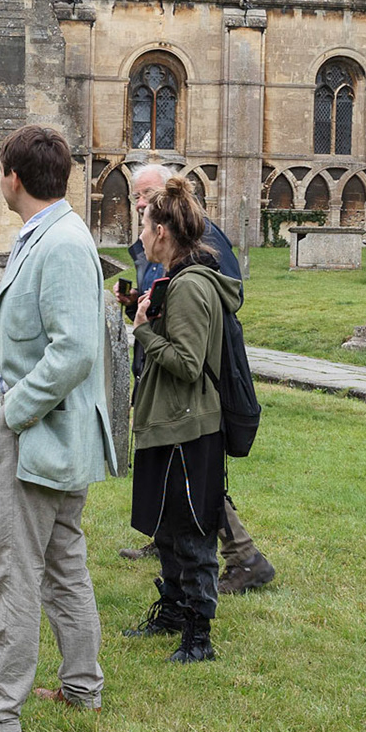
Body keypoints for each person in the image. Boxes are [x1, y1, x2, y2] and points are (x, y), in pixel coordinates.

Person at [0, 124, 114, 732]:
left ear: (12, 178)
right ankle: (82, 688)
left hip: (41, 432)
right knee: (63, 562)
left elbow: (75, 350)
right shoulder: (49, 233)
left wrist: (14, 410)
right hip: (50, 433)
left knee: (15, 568)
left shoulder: (60, 241)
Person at [119, 163, 277, 595]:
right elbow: (165, 299)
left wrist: (150, 329)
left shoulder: (201, 241)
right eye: (136, 196)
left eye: (145, 195)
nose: (139, 204)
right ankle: (169, 538)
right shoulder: (159, 247)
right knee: (180, 478)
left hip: (191, 386)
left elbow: (217, 298)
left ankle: (243, 556)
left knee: (193, 477)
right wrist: (138, 306)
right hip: (163, 370)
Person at [124, 176, 242, 663]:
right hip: (169, 423)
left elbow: (189, 363)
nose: (141, 234)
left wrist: (144, 332)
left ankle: (198, 636)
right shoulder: (178, 278)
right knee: (168, 528)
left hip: (190, 429)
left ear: (163, 232)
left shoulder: (192, 285)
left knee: (193, 534)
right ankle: (173, 611)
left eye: (145, 225)